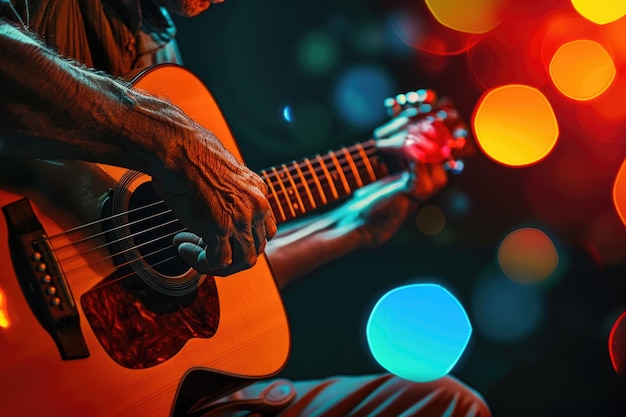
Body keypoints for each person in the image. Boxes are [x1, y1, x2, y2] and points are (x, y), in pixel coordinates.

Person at [0, 1, 491, 416]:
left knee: (444, 404)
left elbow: (217, 292)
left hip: (133, 392)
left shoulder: (163, 54)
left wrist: (353, 226)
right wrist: (166, 138)